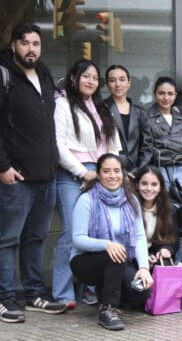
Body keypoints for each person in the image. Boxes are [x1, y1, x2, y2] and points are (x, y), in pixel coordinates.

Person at [0, 24, 67, 323]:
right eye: (25, 43)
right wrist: (3, 167)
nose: (31, 49)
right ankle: (4, 298)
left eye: (36, 43)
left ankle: (34, 294)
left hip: (46, 175)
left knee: (36, 238)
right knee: (7, 240)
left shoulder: (44, 74)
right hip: (17, 177)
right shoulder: (4, 75)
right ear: (13, 45)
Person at [53, 59, 121, 308]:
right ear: (74, 78)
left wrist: (112, 172)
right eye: (85, 76)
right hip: (72, 175)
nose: (91, 81)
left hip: (101, 176)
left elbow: (112, 147)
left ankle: (90, 290)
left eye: (94, 77)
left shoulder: (101, 108)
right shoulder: (62, 103)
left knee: (97, 233)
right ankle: (62, 294)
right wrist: (83, 172)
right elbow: (58, 144)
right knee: (73, 233)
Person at [70, 153, 153, 330]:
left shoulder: (131, 200)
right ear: (98, 175)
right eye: (106, 171)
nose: (112, 176)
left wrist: (144, 268)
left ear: (123, 174)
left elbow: (139, 237)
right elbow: (78, 239)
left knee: (142, 292)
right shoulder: (87, 200)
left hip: (118, 262)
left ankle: (107, 292)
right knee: (115, 254)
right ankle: (107, 309)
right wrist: (106, 244)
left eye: (116, 171)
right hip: (86, 262)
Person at [139, 76, 182, 195]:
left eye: (170, 94)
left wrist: (162, 143)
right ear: (155, 94)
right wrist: (177, 145)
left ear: (175, 95)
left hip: (180, 168)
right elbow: (148, 148)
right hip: (158, 169)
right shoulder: (146, 117)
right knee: (162, 207)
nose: (166, 98)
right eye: (161, 93)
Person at [104, 65, 147, 176]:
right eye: (112, 80)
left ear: (129, 83)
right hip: (110, 172)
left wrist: (137, 171)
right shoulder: (100, 109)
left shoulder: (140, 112)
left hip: (136, 173)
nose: (118, 84)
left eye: (122, 80)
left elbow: (147, 146)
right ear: (107, 84)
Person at [134, 165, 178, 266]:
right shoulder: (129, 207)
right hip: (132, 257)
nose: (149, 188)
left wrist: (166, 249)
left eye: (154, 184)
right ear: (137, 185)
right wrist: (144, 256)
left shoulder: (169, 209)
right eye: (144, 184)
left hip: (155, 258)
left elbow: (173, 240)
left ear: (160, 187)